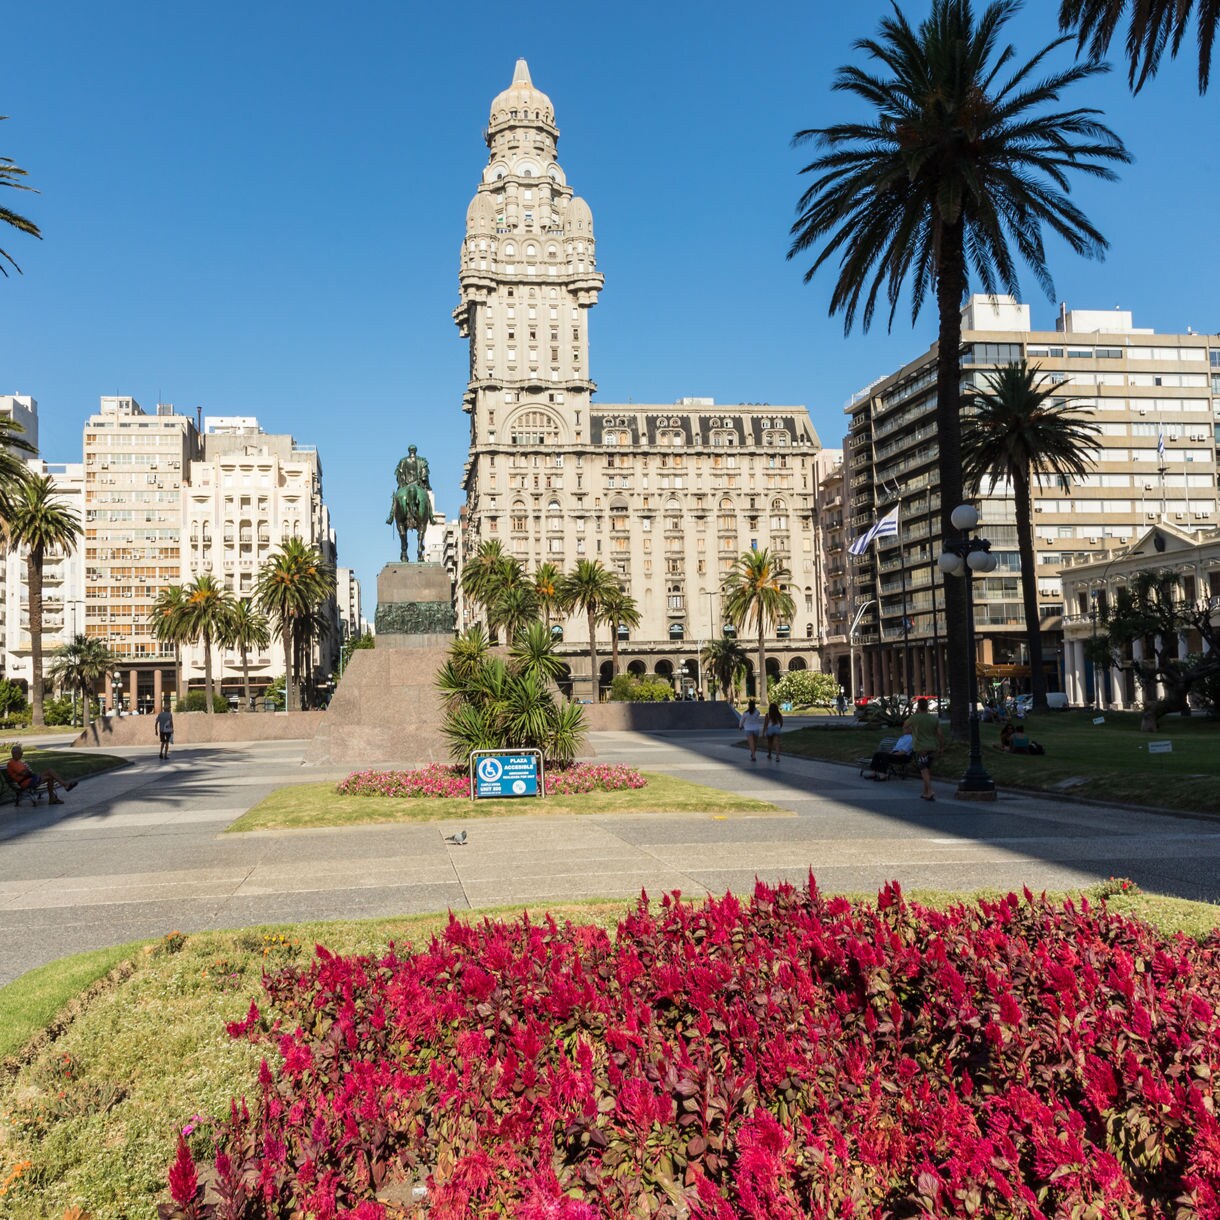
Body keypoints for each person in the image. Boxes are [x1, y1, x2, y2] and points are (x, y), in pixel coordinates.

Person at [6, 744, 78, 806]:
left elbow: (26, 772)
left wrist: (27, 772)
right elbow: (24, 773)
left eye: (21, 752)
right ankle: (64, 786)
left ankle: (54, 797)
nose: (22, 754)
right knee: (50, 773)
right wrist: (27, 771)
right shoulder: (12, 763)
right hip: (27, 782)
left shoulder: (18, 762)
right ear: (14, 753)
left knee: (50, 773)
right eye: (20, 753)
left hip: (31, 779)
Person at [903, 697, 944, 802]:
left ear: (918, 707)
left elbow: (905, 727)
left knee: (923, 770)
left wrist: (912, 730)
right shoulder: (933, 719)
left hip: (921, 748)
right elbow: (940, 734)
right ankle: (925, 792)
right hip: (933, 746)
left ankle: (930, 791)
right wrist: (941, 747)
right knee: (927, 769)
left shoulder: (915, 718)